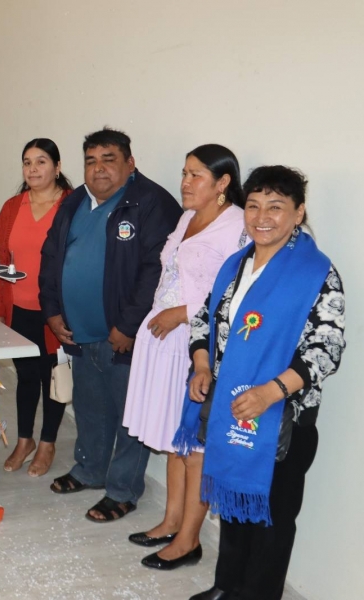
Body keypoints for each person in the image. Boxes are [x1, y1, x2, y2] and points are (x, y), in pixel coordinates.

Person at [187, 166, 345, 600]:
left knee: (272, 517)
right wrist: (202, 364)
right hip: (231, 407)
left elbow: (325, 346)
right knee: (236, 505)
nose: (262, 216)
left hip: (282, 417)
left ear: (298, 213)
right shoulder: (236, 265)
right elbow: (206, 318)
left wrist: (269, 393)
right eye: (253, 205)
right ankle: (227, 586)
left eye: (276, 207)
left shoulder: (315, 272)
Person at [39, 127, 182, 522]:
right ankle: (89, 470)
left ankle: (122, 490)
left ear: (129, 163)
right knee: (90, 408)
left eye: (109, 159)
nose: (99, 169)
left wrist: (129, 325)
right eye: (91, 161)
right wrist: (52, 309)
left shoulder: (151, 203)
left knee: (128, 416)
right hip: (78, 332)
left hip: (124, 337)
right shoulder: (73, 203)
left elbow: (157, 270)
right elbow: (51, 256)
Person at [120, 144, 247, 570]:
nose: (185, 182)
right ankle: (172, 521)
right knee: (177, 439)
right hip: (166, 340)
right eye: (184, 173)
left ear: (223, 183)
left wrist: (183, 313)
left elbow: (236, 296)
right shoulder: (186, 218)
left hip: (198, 345)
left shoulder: (237, 228)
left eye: (196, 175)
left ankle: (189, 541)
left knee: (195, 443)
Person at [0, 138, 73, 477]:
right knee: (25, 376)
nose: (33, 169)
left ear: (57, 166)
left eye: (41, 161)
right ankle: (24, 440)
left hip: (57, 311)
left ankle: (48, 442)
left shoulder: (72, 205)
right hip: (18, 308)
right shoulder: (12, 206)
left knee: (54, 375)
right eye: (27, 162)